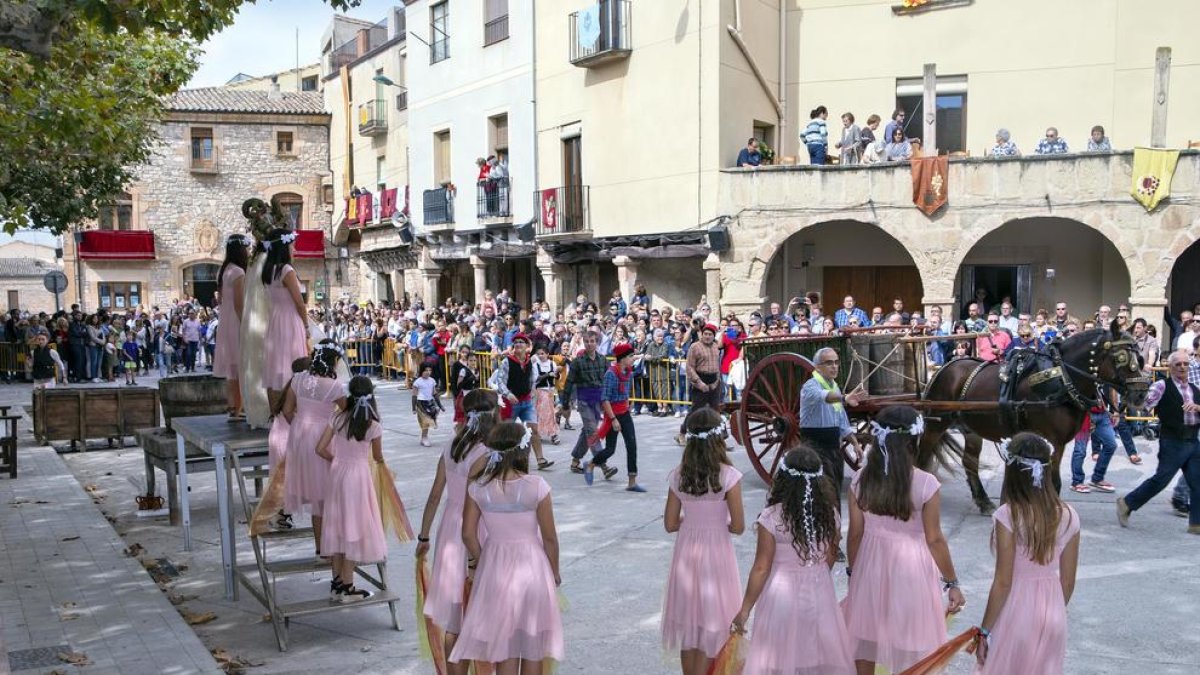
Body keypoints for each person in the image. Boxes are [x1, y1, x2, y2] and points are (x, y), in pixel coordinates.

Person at [843, 406, 965, 674]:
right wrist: (952, 582)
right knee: (911, 641)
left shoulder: (861, 479)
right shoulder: (926, 483)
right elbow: (934, 539)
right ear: (914, 440)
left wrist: (855, 571)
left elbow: (855, 534)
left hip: (870, 566)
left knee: (865, 636)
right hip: (912, 570)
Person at [450, 422, 564, 670]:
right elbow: (550, 538)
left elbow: (468, 534)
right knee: (533, 645)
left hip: (496, 569)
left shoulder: (479, 488)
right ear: (522, 452)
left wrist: (484, 561)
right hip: (532, 569)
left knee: (505, 645)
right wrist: (554, 572)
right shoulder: (537, 486)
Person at [732, 447, 855, 674]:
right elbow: (829, 557)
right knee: (812, 654)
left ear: (783, 479)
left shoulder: (772, 516)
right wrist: (812, 573)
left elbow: (761, 567)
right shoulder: (831, 514)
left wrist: (745, 609)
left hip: (780, 597)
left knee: (779, 656)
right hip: (819, 592)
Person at [975, 434, 1081, 673]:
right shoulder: (1069, 515)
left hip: (1016, 610)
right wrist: (1051, 608)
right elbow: (1068, 580)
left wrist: (984, 630)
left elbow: (1003, 581)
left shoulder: (1008, 514)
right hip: (1053, 613)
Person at [417, 390, 498, 673]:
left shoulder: (451, 445)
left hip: (449, 530)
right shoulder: (485, 453)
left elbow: (435, 494)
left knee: (454, 616)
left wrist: (424, 535)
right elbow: (476, 503)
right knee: (474, 613)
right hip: (473, 531)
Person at [661, 409, 745, 674]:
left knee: (690, 625)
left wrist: (692, 521)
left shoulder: (678, 475)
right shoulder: (728, 475)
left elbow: (670, 524)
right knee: (714, 622)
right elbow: (739, 526)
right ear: (718, 438)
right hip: (717, 554)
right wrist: (719, 524)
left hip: (687, 553)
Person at [315, 375, 387, 603]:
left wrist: (337, 459)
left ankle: (336, 583)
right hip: (358, 477)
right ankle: (348, 586)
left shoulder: (337, 418)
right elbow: (377, 457)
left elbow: (320, 448)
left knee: (337, 526)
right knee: (353, 528)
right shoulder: (373, 425)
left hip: (338, 474)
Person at [1118, 350, 1200, 534]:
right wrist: (1128, 405)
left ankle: (1196, 524)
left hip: (1193, 441)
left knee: (1197, 482)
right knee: (1161, 480)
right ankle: (1127, 503)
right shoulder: (1162, 385)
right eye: (1178, 364)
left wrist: (1197, 407)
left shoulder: (1195, 389)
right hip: (1172, 440)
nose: (1182, 367)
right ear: (1170, 367)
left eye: (1185, 364)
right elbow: (1143, 404)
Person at [282, 340, 347, 554]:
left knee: (318, 498)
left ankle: (321, 548)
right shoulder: (334, 386)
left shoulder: (298, 379)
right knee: (330, 494)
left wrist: (301, 428)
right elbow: (348, 413)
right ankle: (334, 546)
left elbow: (287, 410)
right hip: (324, 438)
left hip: (300, 436)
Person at [798, 347, 865, 502]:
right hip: (814, 446)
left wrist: (855, 444)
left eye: (836, 362)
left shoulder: (833, 386)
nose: (834, 366)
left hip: (833, 447)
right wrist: (844, 397)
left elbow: (841, 420)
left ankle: (834, 522)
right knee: (819, 493)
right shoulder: (810, 386)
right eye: (829, 363)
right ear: (818, 367)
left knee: (834, 489)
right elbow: (825, 397)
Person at [587, 342, 645, 492]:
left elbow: (625, 392)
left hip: (624, 412)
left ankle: (632, 481)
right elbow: (605, 399)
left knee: (632, 445)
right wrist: (613, 420)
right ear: (622, 358)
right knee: (610, 449)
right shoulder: (611, 374)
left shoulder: (628, 372)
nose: (633, 359)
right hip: (612, 414)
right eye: (631, 356)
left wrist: (628, 402)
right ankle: (591, 464)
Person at [490, 334, 554, 469]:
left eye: (521, 342)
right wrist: (508, 394)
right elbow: (500, 381)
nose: (518, 344)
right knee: (506, 432)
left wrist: (532, 390)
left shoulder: (530, 361)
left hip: (526, 402)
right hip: (511, 403)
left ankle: (540, 460)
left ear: (527, 346)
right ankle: (499, 459)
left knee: (534, 430)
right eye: (516, 342)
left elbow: (533, 379)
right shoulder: (507, 361)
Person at [261, 229, 309, 407]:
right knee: (293, 364)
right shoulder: (286, 270)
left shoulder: (268, 270)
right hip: (290, 320)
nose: (293, 247)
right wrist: (306, 326)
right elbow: (299, 303)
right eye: (291, 244)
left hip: (275, 320)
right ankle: (291, 409)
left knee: (276, 367)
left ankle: (275, 412)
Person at [267, 356, 310, 531]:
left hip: (280, 435)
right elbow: (292, 414)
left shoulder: (290, 386)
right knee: (289, 478)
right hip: (286, 438)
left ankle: (281, 513)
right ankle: (279, 513)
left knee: (286, 478)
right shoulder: (300, 389)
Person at [214, 234, 249, 420]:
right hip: (235, 321)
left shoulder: (223, 270)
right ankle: (240, 407)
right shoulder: (238, 272)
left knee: (231, 367)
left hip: (225, 320)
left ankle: (232, 405)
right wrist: (245, 324)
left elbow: (220, 299)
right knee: (239, 365)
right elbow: (239, 303)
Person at [568, 330, 607, 474]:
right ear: (583, 342)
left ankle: (575, 460)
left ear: (597, 343)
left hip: (598, 402)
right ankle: (603, 465)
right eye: (587, 341)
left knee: (587, 431)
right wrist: (565, 402)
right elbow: (569, 382)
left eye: (592, 341)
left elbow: (608, 381)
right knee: (592, 432)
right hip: (584, 401)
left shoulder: (603, 360)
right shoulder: (577, 361)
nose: (589, 344)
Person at [532, 346, 560, 445]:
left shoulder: (552, 363)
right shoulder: (536, 365)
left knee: (550, 412)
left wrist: (556, 374)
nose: (541, 355)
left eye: (542, 353)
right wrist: (548, 374)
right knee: (543, 412)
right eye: (539, 354)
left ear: (547, 354)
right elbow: (536, 379)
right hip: (541, 391)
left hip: (550, 391)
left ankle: (549, 433)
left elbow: (556, 376)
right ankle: (551, 434)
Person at [413, 364, 441, 447]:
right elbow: (414, 395)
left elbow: (434, 393)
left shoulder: (432, 380)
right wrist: (413, 408)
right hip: (421, 403)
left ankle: (424, 436)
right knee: (425, 421)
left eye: (430, 370)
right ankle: (424, 438)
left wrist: (440, 405)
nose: (428, 372)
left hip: (430, 402)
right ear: (421, 371)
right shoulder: (418, 382)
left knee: (429, 420)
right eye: (426, 370)